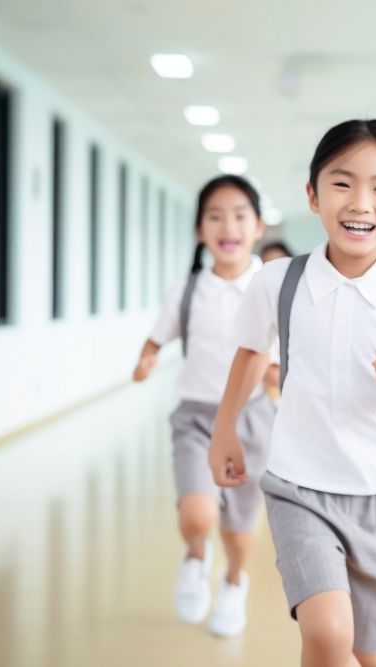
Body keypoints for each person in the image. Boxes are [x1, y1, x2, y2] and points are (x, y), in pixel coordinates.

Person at [209, 119, 376, 667]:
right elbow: (251, 351)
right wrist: (225, 428)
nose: (359, 202)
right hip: (299, 485)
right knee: (325, 634)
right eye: (341, 183)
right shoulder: (278, 281)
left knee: (368, 652)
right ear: (313, 195)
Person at [132, 174, 274, 637]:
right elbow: (158, 335)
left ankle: (234, 581)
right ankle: (196, 554)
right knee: (198, 514)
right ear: (200, 230)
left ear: (258, 226)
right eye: (215, 216)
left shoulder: (270, 286)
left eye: (239, 215)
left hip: (252, 420)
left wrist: (279, 374)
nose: (227, 225)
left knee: (237, 527)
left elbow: (287, 347)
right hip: (195, 417)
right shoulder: (188, 290)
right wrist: (147, 357)